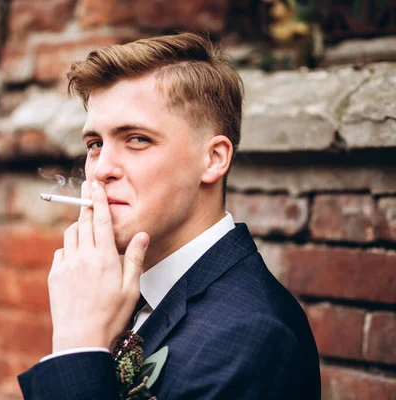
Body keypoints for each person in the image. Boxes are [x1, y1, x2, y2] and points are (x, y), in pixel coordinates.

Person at [18, 32, 320, 399]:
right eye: (95, 144)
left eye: (137, 139)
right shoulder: (118, 298)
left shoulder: (253, 336)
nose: (100, 170)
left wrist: (76, 345)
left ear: (213, 159)